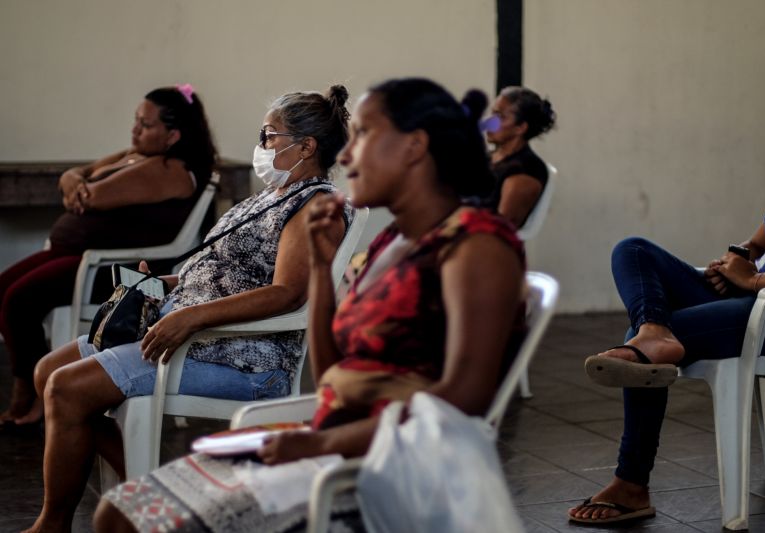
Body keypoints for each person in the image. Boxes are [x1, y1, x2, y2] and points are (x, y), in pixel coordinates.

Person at [91, 77, 527, 533]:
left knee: (125, 521)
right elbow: (334, 375)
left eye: (363, 135)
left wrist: (319, 444)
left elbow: (457, 408)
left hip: (398, 478)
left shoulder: (477, 248)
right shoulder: (393, 245)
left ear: (414, 147)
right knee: (117, 511)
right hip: (340, 443)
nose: (344, 154)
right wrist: (320, 271)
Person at [23, 85, 353, 533]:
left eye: (270, 135)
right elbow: (224, 269)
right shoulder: (267, 199)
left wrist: (191, 315)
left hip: (242, 355)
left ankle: (53, 524)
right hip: (189, 333)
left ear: (307, 146)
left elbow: (287, 294)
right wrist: (162, 284)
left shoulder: (314, 205)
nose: (261, 145)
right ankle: (150, 489)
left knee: (66, 390)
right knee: (48, 374)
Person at [569, 87, 765, 525]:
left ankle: (631, 483)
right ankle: (652, 330)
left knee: (637, 353)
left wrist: (752, 280)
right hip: (750, 295)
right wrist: (740, 255)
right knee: (633, 250)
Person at [0, 85, 217, 426]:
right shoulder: (139, 157)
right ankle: (31, 380)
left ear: (173, 135)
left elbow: (90, 196)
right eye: (136, 121)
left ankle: (29, 391)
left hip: (114, 269)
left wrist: (80, 182)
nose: (134, 130)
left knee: (18, 299)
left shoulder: (167, 170)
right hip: (77, 254)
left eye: (145, 125)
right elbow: (73, 177)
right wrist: (74, 178)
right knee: (4, 288)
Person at [483, 86, 556, 229]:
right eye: (492, 114)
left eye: (500, 117)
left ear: (520, 128)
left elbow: (502, 228)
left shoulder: (526, 170)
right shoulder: (488, 158)